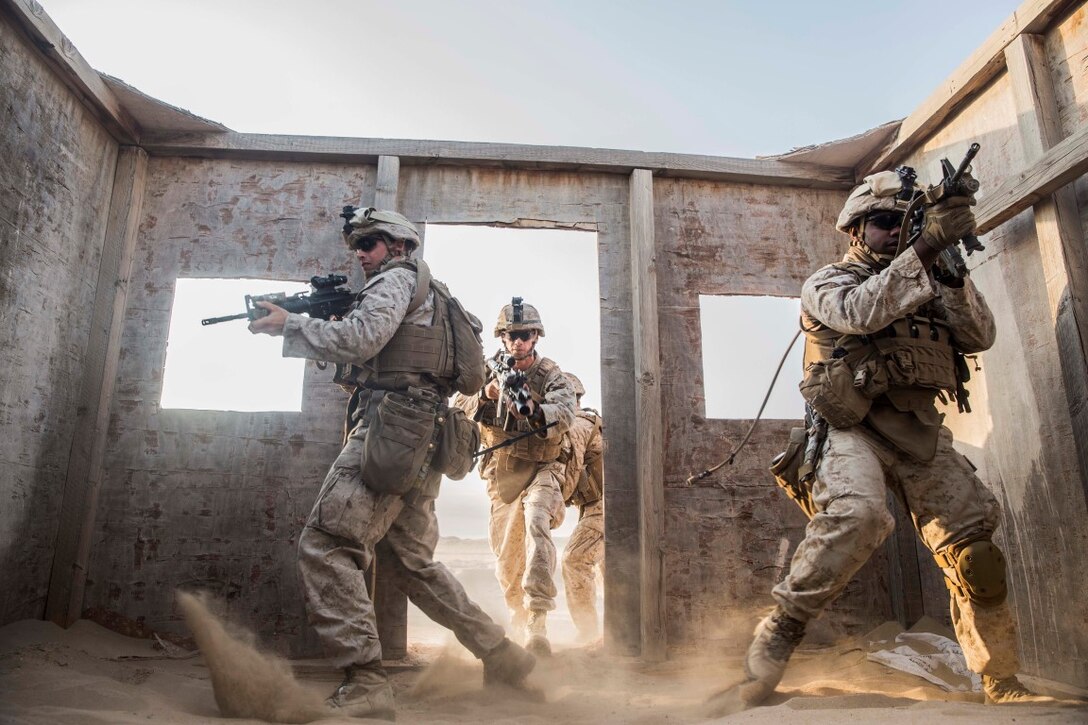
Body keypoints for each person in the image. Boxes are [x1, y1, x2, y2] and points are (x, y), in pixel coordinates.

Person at [709, 169, 1053, 713]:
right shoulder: (827, 282)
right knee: (859, 516)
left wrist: (947, 267)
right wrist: (926, 246)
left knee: (977, 555)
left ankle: (1000, 676)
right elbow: (860, 312)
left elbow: (979, 334)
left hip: (917, 429)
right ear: (856, 231)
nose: (897, 233)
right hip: (850, 428)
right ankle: (777, 636)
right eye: (886, 223)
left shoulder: (931, 277)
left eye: (907, 222)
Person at [249, 208, 534, 719]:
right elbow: (443, 369)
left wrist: (290, 323)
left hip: (389, 431)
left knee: (327, 544)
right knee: (410, 564)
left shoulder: (394, 283)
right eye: (358, 244)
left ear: (400, 246)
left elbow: (363, 339)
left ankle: (364, 682)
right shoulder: (438, 295)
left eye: (373, 242)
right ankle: (503, 654)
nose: (362, 252)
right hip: (423, 436)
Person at [458, 299, 577, 657]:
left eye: (525, 335)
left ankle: (538, 618)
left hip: (543, 465)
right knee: (508, 560)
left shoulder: (551, 374)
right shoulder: (485, 371)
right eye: (512, 335)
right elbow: (458, 406)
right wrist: (486, 394)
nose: (518, 342)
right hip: (504, 472)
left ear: (536, 337)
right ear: (503, 337)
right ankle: (518, 617)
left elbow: (567, 412)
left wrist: (537, 412)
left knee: (537, 522)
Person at [557, 372, 605, 644]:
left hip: (603, 505)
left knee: (575, 559)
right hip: (598, 505)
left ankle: (588, 634)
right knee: (606, 567)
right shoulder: (585, 422)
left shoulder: (578, 424)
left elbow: (572, 472)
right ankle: (616, 632)